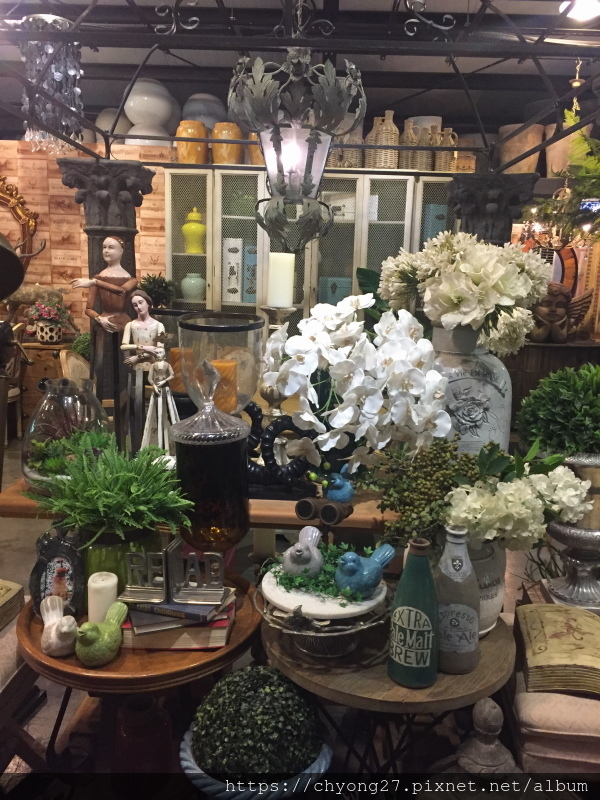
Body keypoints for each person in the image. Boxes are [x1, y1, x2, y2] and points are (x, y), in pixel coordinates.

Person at [70, 237, 137, 334]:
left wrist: (95, 282)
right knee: (101, 340)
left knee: (124, 341)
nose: (106, 251)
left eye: (111, 247)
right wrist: (99, 318)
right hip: (103, 323)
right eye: (104, 247)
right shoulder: (98, 277)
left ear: (121, 251)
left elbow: (121, 290)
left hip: (124, 323)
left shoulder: (130, 279)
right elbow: (88, 309)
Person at [141, 345, 180, 452]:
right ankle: (158, 449)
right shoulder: (153, 366)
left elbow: (172, 375)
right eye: (156, 353)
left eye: (160, 353)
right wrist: (154, 386)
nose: (158, 355)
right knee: (156, 412)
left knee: (167, 412)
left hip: (165, 388)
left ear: (164, 355)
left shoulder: (167, 365)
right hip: (156, 389)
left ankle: (171, 449)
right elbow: (150, 378)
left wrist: (164, 381)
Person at [120, 290, 165, 370]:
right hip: (136, 367)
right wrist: (144, 347)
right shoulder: (130, 325)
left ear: (148, 303)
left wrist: (138, 357)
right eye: (135, 305)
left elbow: (160, 350)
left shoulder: (159, 326)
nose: (139, 307)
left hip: (153, 367)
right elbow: (123, 346)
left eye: (141, 302)